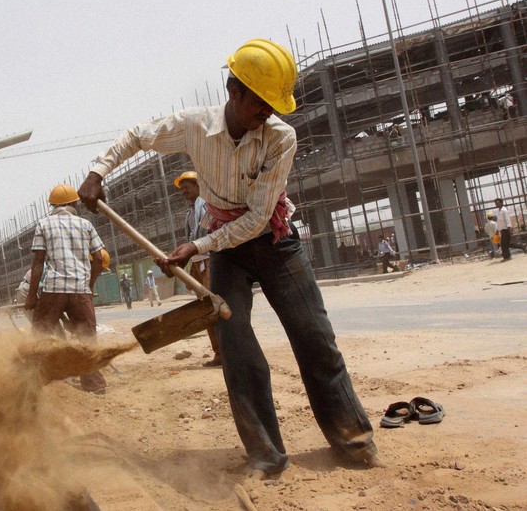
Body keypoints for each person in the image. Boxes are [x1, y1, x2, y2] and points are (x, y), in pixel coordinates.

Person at [78, 38, 379, 476]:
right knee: (238, 351)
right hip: (226, 250)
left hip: (274, 240)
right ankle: (266, 456)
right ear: (234, 92)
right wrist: (96, 172)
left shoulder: (281, 138)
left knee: (315, 338)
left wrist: (196, 247)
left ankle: (353, 442)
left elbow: (258, 218)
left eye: (276, 104)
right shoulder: (195, 126)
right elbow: (137, 137)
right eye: (262, 102)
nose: (270, 112)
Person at [24, 184, 107, 394]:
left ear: (53, 205)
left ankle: (34, 383)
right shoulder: (85, 225)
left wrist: (32, 296)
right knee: (87, 340)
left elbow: (38, 263)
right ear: (73, 203)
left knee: (40, 338)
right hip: (80, 290)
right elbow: (99, 258)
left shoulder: (43, 224)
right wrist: (89, 285)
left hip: (53, 289)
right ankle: (94, 385)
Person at [175, 170, 220, 367]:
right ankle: (219, 353)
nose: (184, 190)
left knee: (213, 307)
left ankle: (226, 352)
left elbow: (203, 236)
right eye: (182, 187)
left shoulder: (206, 205)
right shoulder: (190, 213)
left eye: (187, 186)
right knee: (205, 310)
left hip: (208, 260)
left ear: (198, 185)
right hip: (198, 262)